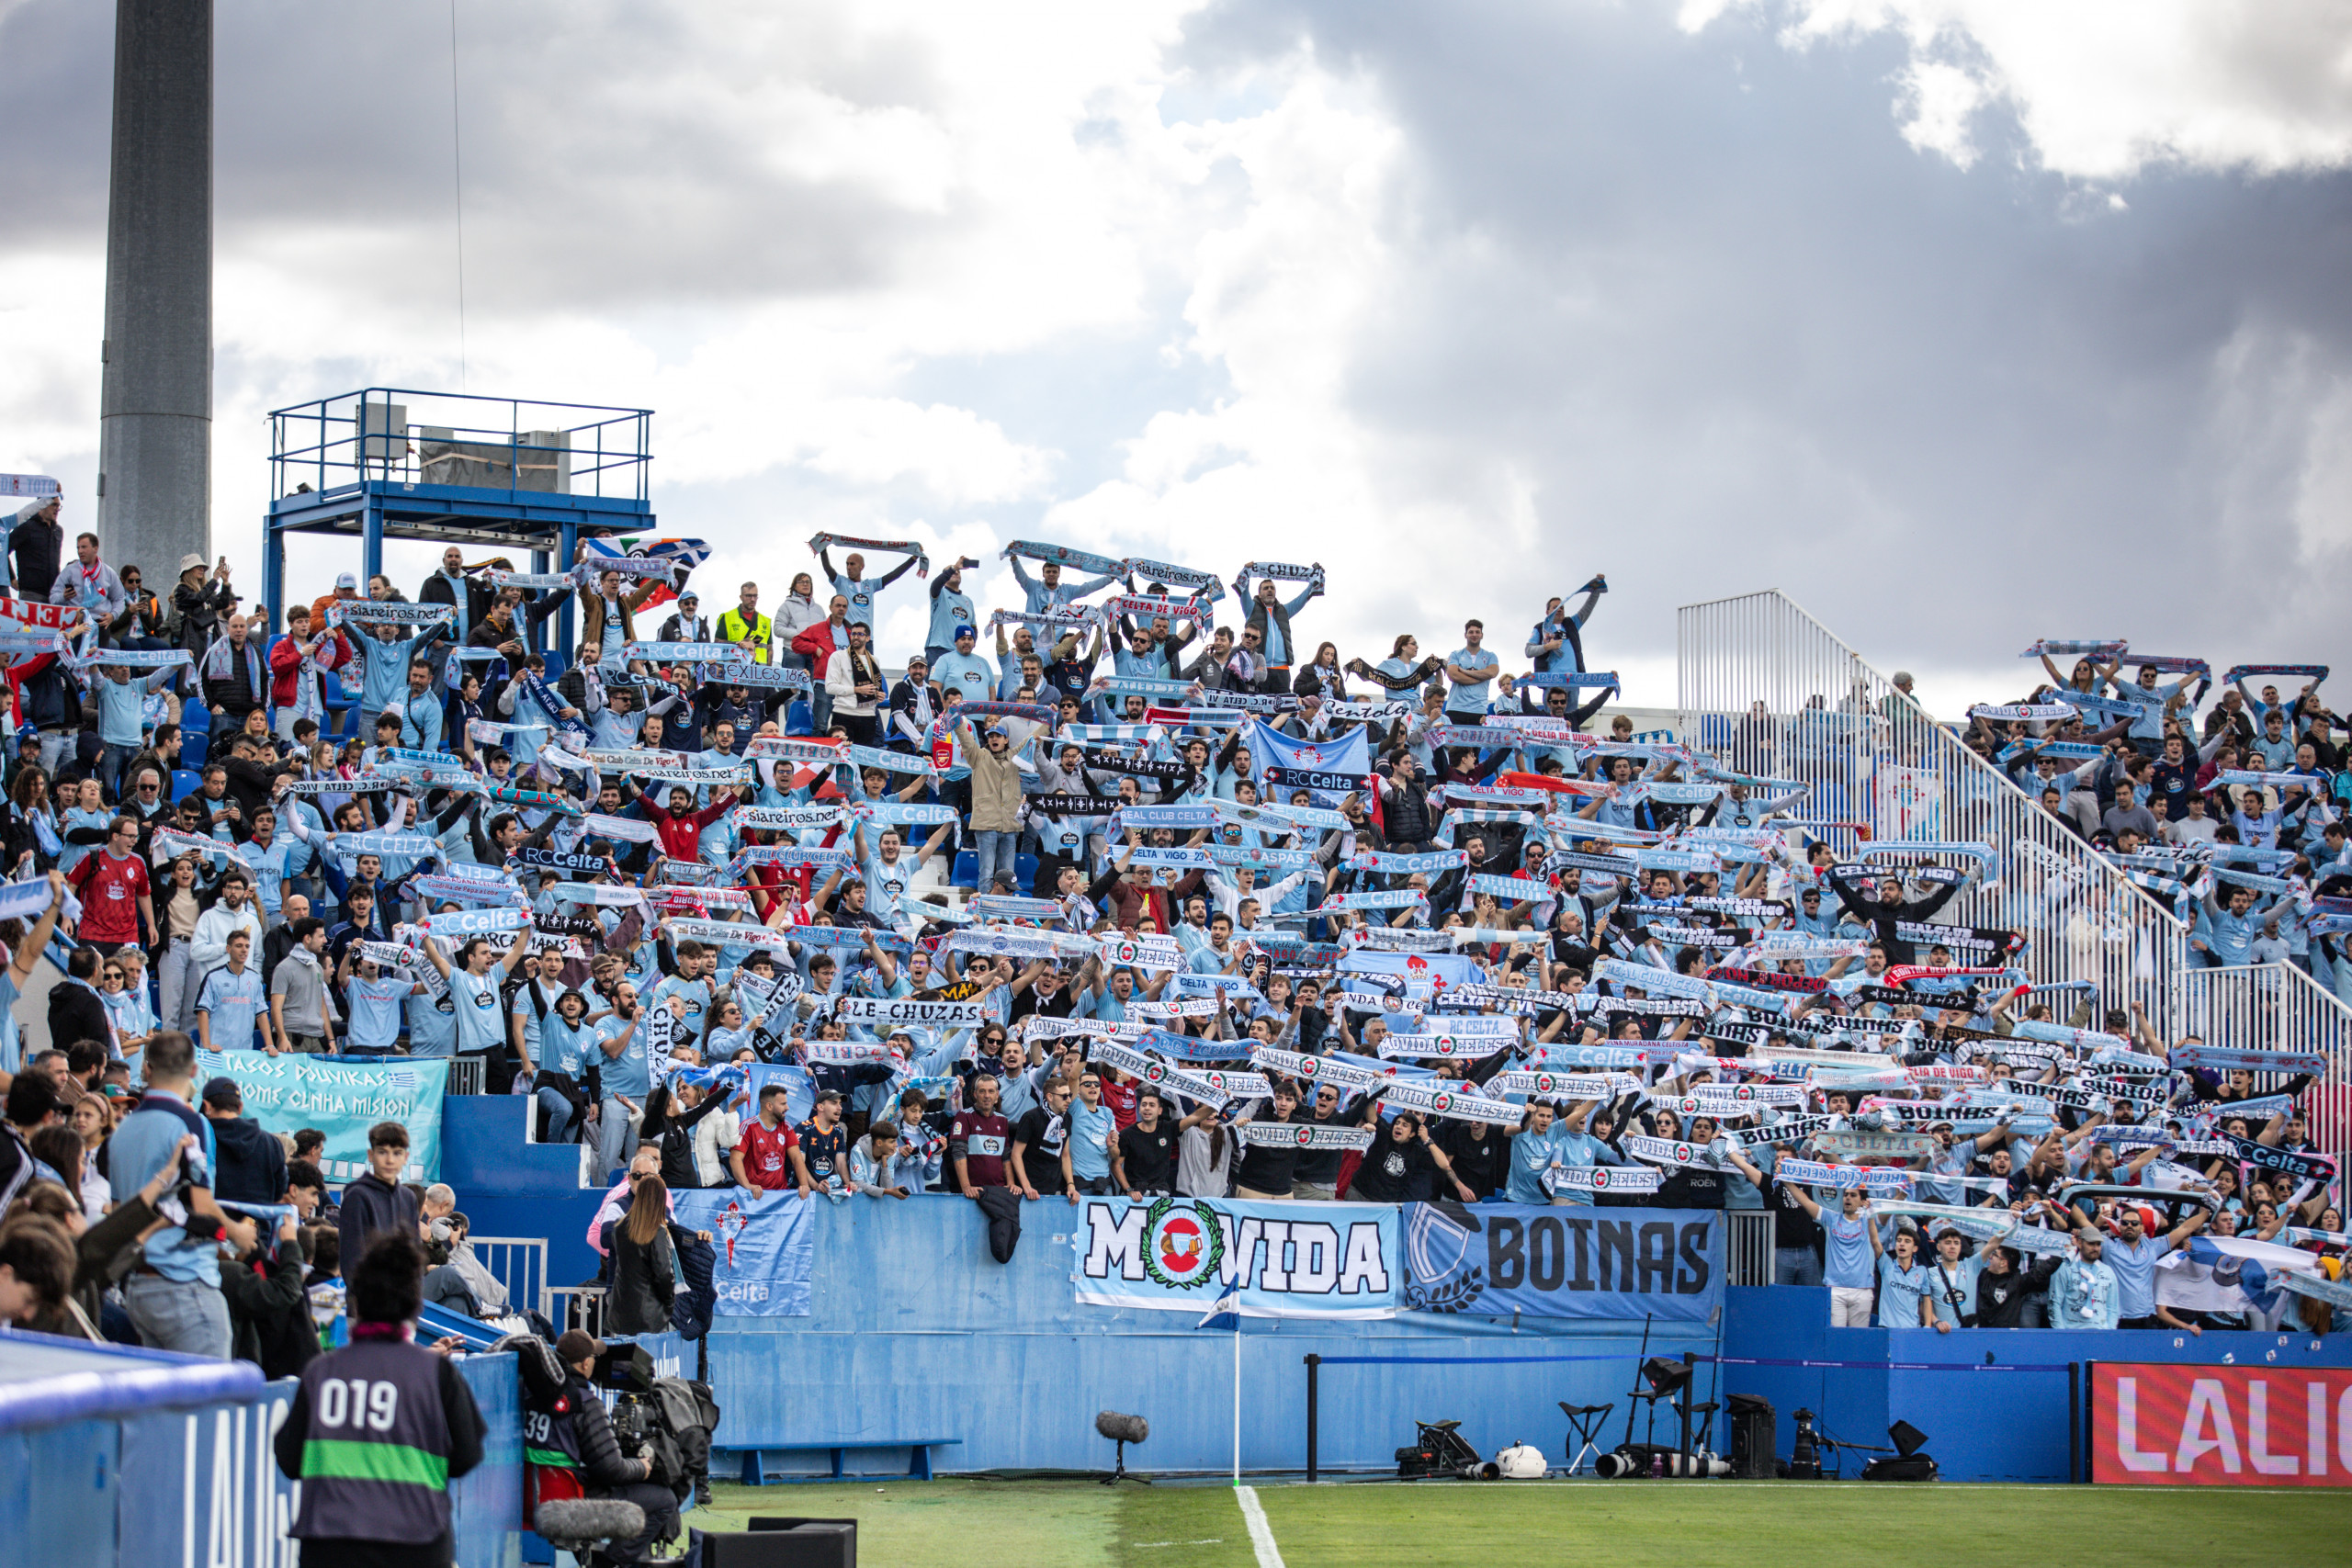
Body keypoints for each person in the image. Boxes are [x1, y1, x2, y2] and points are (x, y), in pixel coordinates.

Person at [275, 1233, 487, 1568]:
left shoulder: (321, 1372)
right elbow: (467, 1455)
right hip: (417, 1542)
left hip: (330, 1545)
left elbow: (289, 1458)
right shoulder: (436, 1373)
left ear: (359, 1299)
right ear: (415, 1303)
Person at [107, 1030, 255, 1356]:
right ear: (193, 1071)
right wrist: (238, 1233)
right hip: (183, 1282)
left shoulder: (121, 1130)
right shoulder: (191, 1122)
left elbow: (118, 1213)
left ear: (146, 1068)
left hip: (138, 1286)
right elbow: (201, 1205)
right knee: (207, 1401)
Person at [338, 1121, 423, 1269]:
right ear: (371, 1155)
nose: (389, 1160)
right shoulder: (357, 1196)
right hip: (365, 1290)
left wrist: (413, 1290)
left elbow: (414, 1253)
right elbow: (351, 1257)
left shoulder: (408, 1197)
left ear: (406, 1157)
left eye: (397, 1153)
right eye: (382, 1152)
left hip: (405, 1290)